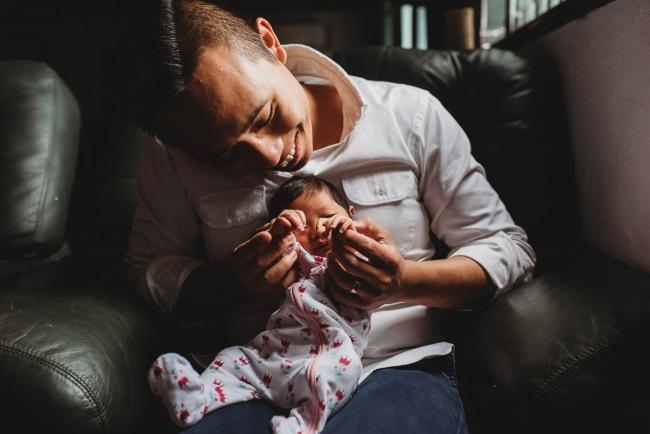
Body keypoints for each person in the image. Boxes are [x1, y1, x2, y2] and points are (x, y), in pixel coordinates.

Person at [123, 1, 536, 432]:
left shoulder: (410, 116)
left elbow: (507, 247)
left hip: (394, 369)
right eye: (224, 155)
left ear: (270, 44)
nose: (270, 155)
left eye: (264, 116)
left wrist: (404, 280)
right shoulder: (171, 157)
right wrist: (229, 284)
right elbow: (149, 268)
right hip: (253, 375)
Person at [148, 175, 370, 434]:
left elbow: (363, 268)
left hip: (331, 356)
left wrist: (345, 235)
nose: (319, 229)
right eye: (303, 226)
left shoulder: (355, 257)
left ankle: (304, 425)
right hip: (272, 357)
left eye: (328, 216)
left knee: (337, 376)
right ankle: (198, 396)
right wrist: (278, 235)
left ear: (351, 215)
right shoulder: (293, 261)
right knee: (232, 359)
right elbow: (268, 254)